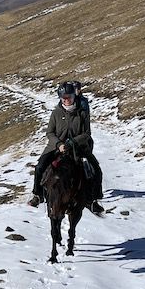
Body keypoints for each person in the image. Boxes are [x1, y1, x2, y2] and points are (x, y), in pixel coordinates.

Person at [28, 81, 104, 214]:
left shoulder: (82, 113)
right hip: (56, 147)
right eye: (63, 97)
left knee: (96, 169)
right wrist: (58, 144)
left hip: (78, 148)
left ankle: (94, 200)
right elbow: (49, 133)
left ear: (73, 96)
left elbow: (86, 134)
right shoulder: (56, 113)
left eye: (68, 97)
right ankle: (37, 195)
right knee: (40, 167)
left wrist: (71, 143)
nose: (66, 100)